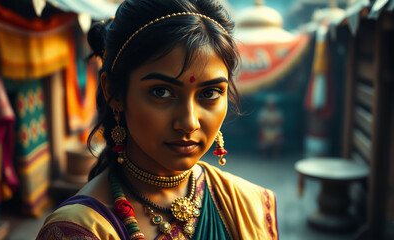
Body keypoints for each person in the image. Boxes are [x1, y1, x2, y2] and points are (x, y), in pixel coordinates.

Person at [36, 0, 278, 239]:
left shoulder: (249, 203)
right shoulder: (78, 231)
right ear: (114, 93)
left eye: (209, 93)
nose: (189, 122)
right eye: (161, 92)